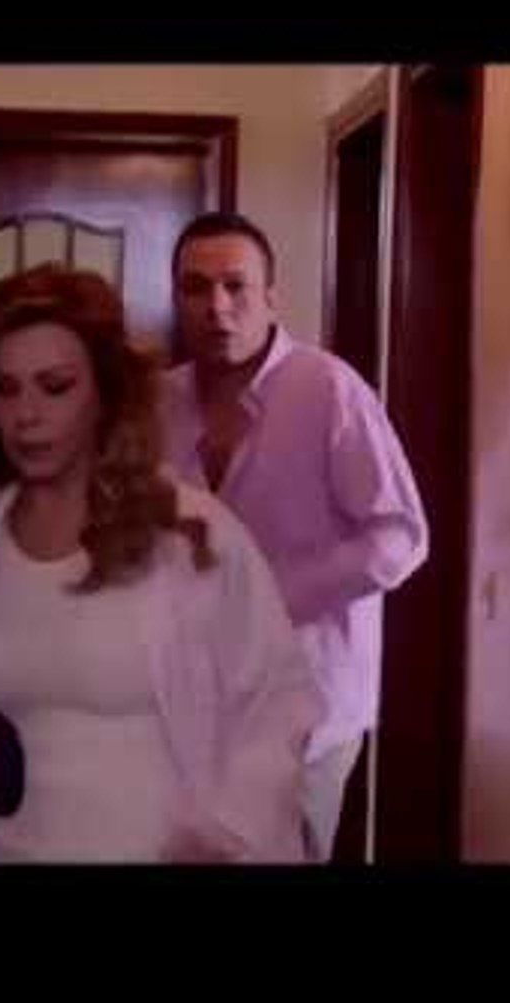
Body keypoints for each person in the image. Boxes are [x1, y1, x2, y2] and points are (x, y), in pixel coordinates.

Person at [0, 264, 321, 864]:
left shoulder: (189, 534)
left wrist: (224, 837)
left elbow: (280, 703)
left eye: (55, 387)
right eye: (4, 388)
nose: (26, 415)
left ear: (106, 391)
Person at [161, 212, 429, 861]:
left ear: (271, 297)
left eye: (235, 286)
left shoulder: (328, 389)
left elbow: (400, 536)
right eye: (196, 288)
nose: (216, 307)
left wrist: (272, 596)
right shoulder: (156, 402)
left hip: (306, 710)